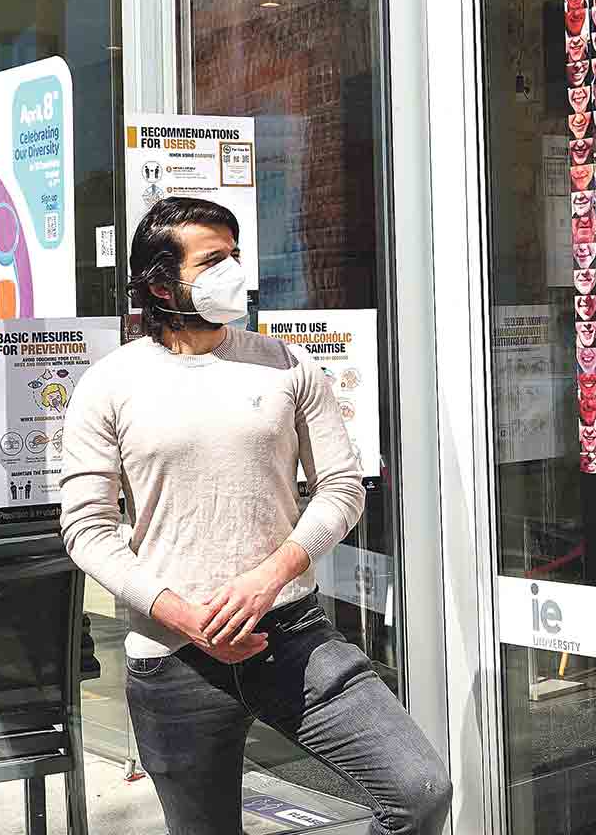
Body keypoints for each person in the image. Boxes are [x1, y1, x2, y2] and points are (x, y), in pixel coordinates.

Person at [60, 197, 448, 835]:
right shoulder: (109, 384)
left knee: (420, 791)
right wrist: (184, 615)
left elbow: (342, 487)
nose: (233, 271)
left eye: (235, 255)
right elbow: (87, 528)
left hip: (294, 635)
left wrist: (271, 574)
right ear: (161, 282)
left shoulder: (285, 363)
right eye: (213, 260)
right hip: (173, 654)